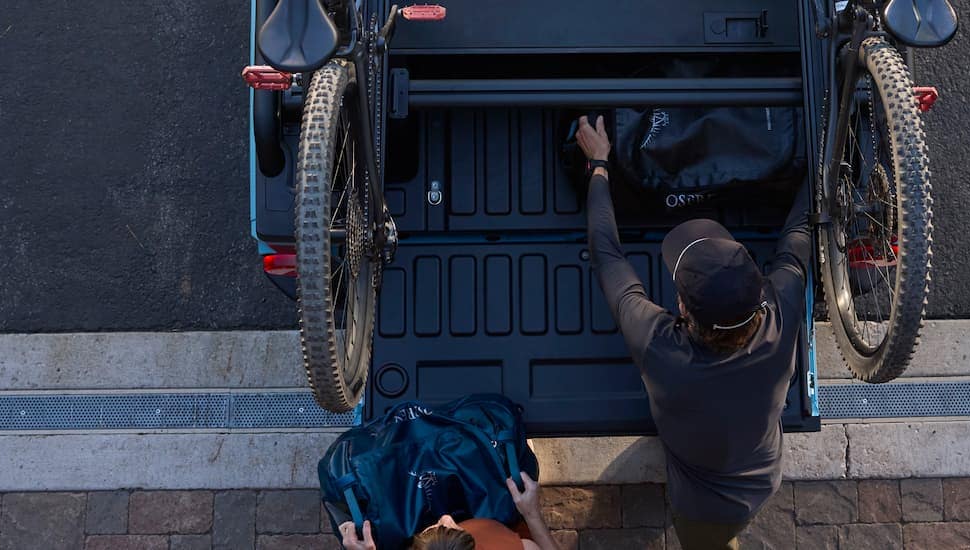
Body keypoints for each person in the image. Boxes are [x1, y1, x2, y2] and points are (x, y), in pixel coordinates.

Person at [574, 115, 811, 550]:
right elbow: (800, 232)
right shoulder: (777, 320)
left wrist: (600, 164)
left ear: (683, 308)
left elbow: (608, 254)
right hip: (756, 481)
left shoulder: (665, 352)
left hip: (707, 509)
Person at [338, 471, 561, 550]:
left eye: (435, 529)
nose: (446, 518)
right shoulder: (520, 548)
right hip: (501, 520)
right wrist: (531, 512)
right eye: (453, 530)